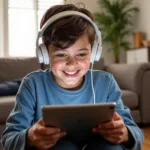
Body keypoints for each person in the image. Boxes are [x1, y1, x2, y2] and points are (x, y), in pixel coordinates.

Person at [1, 4, 144, 150]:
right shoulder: (32, 85)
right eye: (61, 54)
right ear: (44, 53)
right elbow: (8, 140)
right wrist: (30, 137)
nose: (71, 64)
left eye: (81, 54)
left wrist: (125, 133)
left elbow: (137, 135)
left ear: (94, 53)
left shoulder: (105, 83)